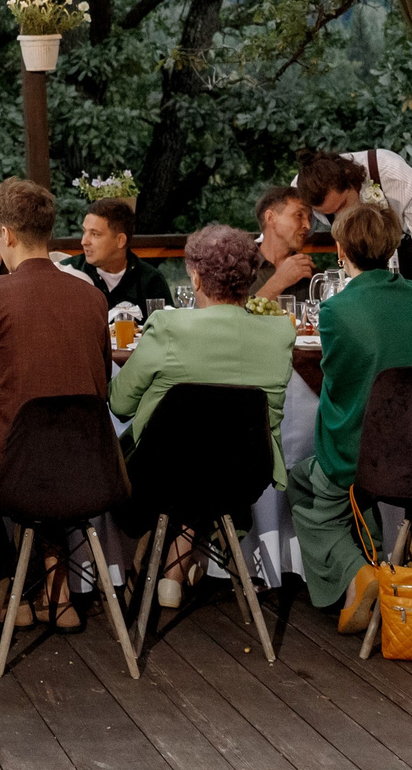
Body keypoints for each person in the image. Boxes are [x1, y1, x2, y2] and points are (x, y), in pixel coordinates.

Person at [110, 224, 294, 605]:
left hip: (162, 476)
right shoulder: (279, 333)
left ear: (194, 275)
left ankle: (158, 571)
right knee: (204, 456)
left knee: (182, 457)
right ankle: (176, 569)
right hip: (243, 477)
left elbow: (120, 405)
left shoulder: (168, 326)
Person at [283, 198, 412, 616]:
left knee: (306, 492)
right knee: (329, 487)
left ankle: (361, 573)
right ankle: (374, 570)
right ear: (392, 247)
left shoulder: (337, 309)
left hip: (365, 452)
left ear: (341, 251)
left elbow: (340, 391)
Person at [0, 178, 111, 626]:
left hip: (14, 469)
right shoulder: (91, 297)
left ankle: (13, 594)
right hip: (87, 464)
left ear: (5, 235)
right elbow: (102, 376)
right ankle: (57, 592)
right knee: (47, 452)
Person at [298, 148, 412, 279]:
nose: (342, 215)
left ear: (351, 179)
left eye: (343, 205)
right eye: (330, 213)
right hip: (354, 264)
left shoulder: (394, 173)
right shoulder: (302, 188)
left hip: (404, 258)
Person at [69, 197, 172, 312]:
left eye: (95, 234)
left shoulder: (151, 282)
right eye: (84, 231)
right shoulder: (68, 274)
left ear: (120, 241)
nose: (84, 241)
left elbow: (166, 328)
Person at [254, 186, 319, 302]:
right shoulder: (237, 269)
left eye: (309, 218)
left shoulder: (312, 276)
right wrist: (279, 281)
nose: (308, 226)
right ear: (270, 218)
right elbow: (230, 319)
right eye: (299, 215)